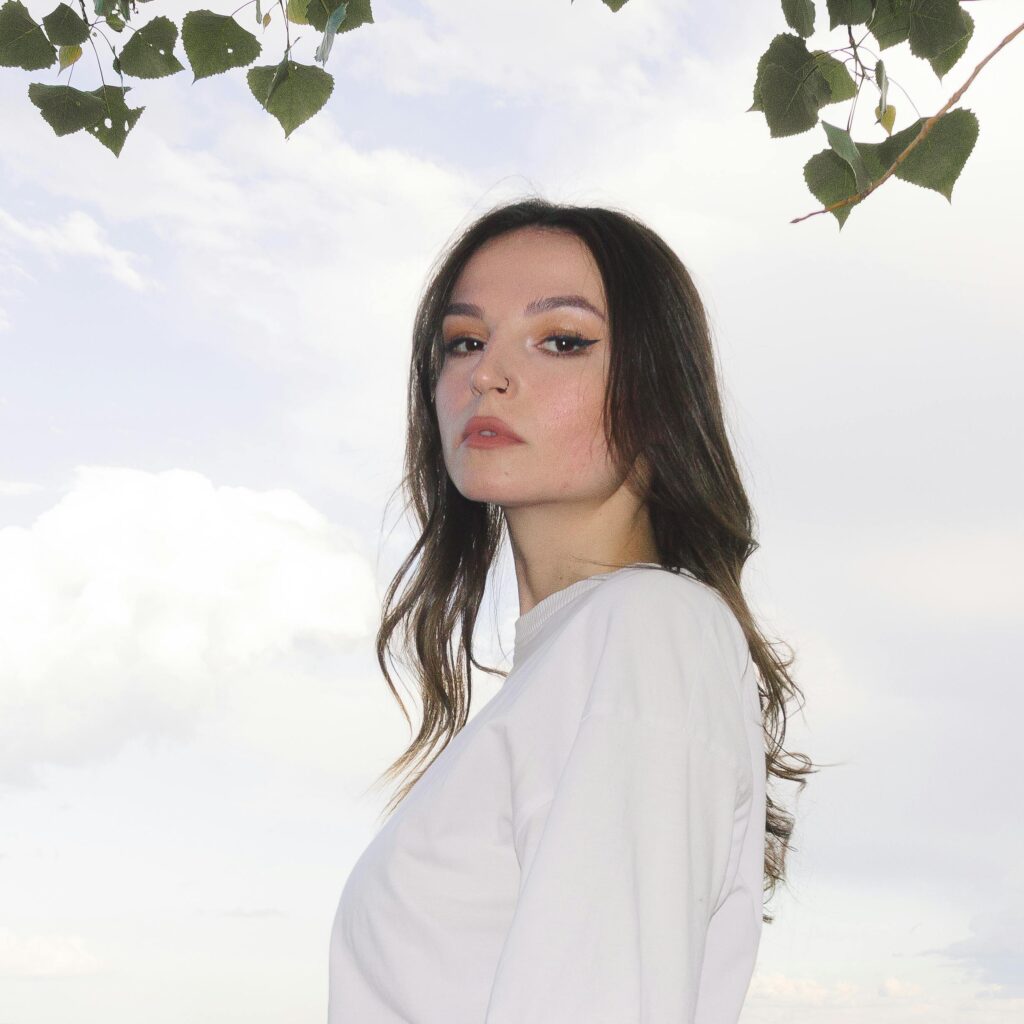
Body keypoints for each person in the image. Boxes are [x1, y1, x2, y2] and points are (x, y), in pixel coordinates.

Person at [327, 197, 816, 1023]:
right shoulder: (583, 657)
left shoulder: (647, 629)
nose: (488, 374)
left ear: (659, 387)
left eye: (562, 340)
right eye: (465, 342)